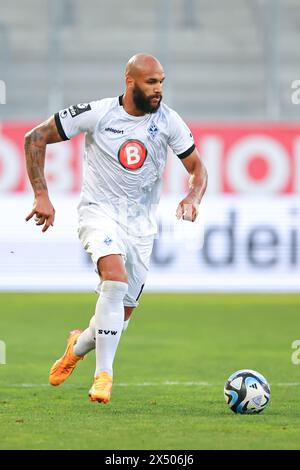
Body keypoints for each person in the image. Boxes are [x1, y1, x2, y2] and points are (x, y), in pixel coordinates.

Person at [24, 53, 208, 405]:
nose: (158, 90)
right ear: (130, 81)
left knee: (117, 320)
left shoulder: (169, 121)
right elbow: (35, 137)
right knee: (114, 278)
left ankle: (76, 346)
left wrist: (193, 196)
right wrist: (41, 194)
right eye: (151, 82)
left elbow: (198, 167)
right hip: (99, 213)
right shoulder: (98, 114)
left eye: (161, 82)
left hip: (141, 226)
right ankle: (103, 377)